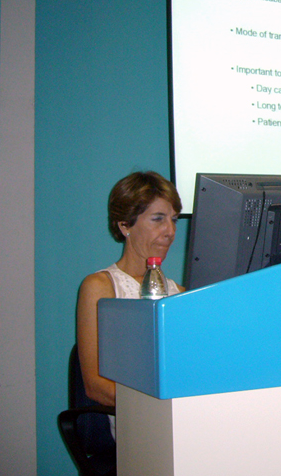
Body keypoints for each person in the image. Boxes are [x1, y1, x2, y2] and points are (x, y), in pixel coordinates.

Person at [76, 171, 183, 413]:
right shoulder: (100, 287)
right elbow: (95, 386)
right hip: (135, 419)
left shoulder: (180, 293)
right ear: (125, 225)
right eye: (158, 219)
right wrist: (161, 407)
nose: (170, 231)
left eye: (174, 220)